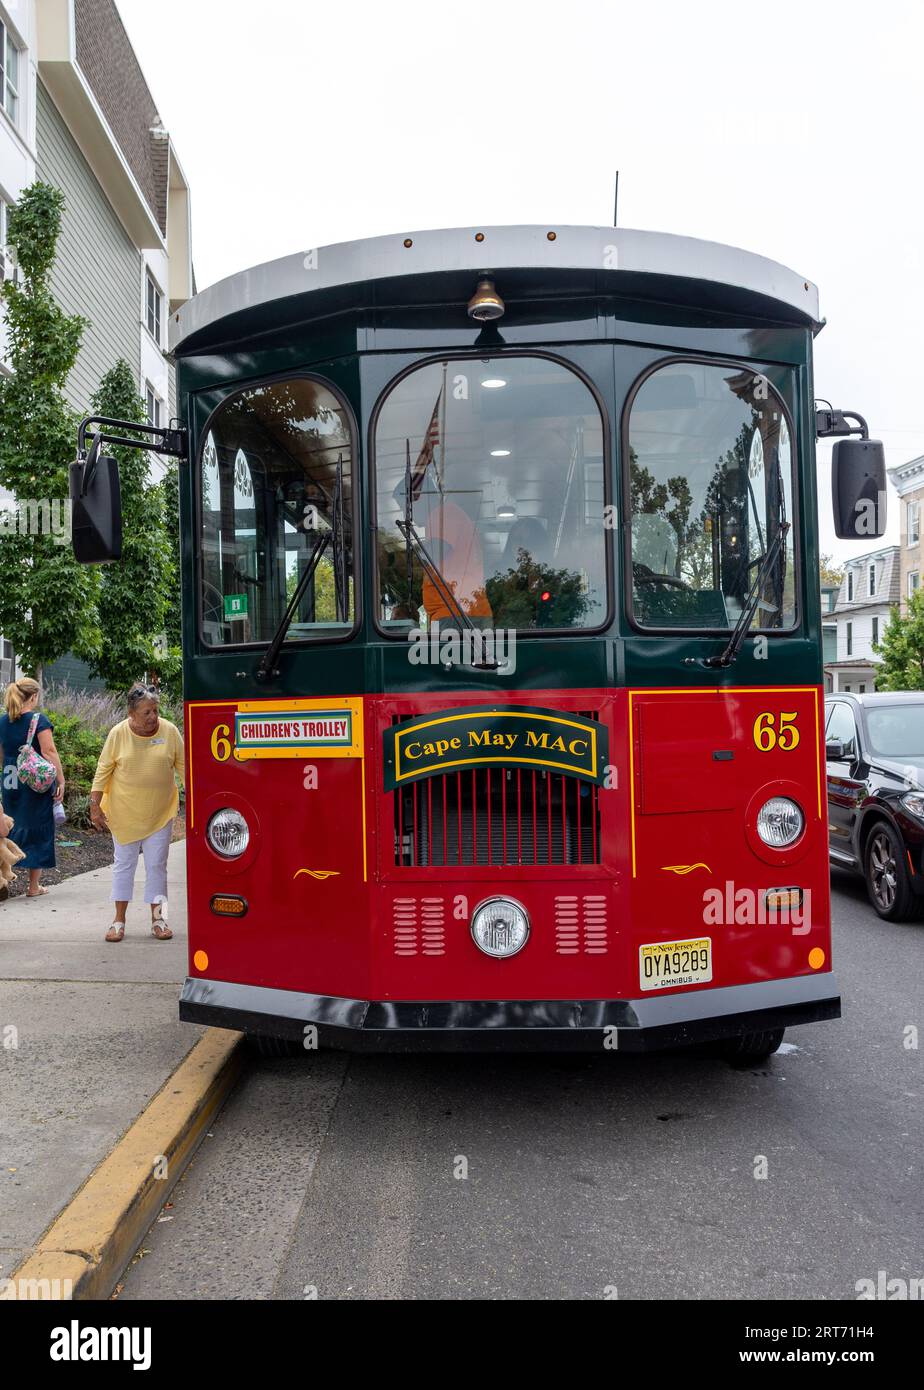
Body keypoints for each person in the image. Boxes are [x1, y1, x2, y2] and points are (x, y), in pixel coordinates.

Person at [90, 684, 184, 942]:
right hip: (124, 812)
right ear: (131, 714)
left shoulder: (170, 731)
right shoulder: (118, 733)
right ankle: (118, 920)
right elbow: (103, 770)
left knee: (157, 866)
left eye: (155, 710)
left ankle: (158, 919)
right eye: (146, 713)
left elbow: (185, 768)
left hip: (159, 812)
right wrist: (94, 805)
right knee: (124, 866)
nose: (153, 716)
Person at [0, 678, 65, 898]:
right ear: (34, 696)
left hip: (10, 782)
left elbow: (1, 754)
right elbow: (49, 752)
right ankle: (33, 887)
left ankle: (3, 881)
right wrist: (61, 780)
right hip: (33, 784)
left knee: (7, 829)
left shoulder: (3, 721)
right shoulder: (39, 720)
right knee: (37, 827)